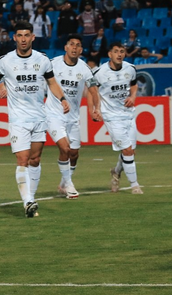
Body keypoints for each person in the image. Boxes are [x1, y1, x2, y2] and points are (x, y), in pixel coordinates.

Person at [0, 21, 71, 218]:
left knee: (35, 160)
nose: (23, 39)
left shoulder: (42, 60)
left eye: (27, 35)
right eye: (20, 35)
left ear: (32, 37)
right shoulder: (5, 61)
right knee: (23, 159)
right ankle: (27, 201)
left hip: (39, 117)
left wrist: (62, 99)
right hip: (18, 119)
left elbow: (52, 82)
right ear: (14, 38)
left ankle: (31, 199)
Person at [46, 35, 99, 200]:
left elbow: (93, 90)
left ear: (81, 50)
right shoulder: (53, 63)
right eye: (71, 44)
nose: (75, 47)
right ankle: (69, 185)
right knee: (65, 148)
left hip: (73, 117)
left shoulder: (84, 69)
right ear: (65, 47)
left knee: (74, 153)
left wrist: (95, 108)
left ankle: (63, 183)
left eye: (78, 45)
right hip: (53, 114)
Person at [92, 42, 141, 194]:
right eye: (116, 51)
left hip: (128, 114)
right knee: (127, 150)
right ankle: (135, 185)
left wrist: (133, 96)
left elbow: (133, 84)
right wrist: (95, 109)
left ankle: (116, 172)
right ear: (109, 54)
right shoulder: (99, 72)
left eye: (122, 51)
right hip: (111, 116)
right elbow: (92, 90)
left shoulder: (130, 69)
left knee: (130, 151)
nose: (119, 54)